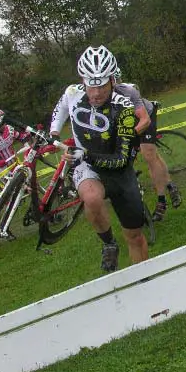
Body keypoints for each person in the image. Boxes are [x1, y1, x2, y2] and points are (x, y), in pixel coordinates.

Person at [49, 45, 149, 273]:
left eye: (102, 86)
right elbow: (61, 108)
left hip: (118, 169)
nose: (95, 94)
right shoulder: (72, 92)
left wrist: (86, 154)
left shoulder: (123, 104)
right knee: (91, 198)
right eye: (90, 86)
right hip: (87, 167)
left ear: (113, 80)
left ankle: (145, 280)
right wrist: (53, 132)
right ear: (82, 81)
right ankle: (109, 244)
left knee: (135, 236)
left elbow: (121, 159)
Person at [112, 70, 182, 222]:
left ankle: (161, 201)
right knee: (153, 157)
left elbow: (142, 118)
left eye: (116, 80)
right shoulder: (98, 97)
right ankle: (170, 185)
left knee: (149, 155)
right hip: (129, 125)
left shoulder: (128, 91)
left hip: (145, 117)